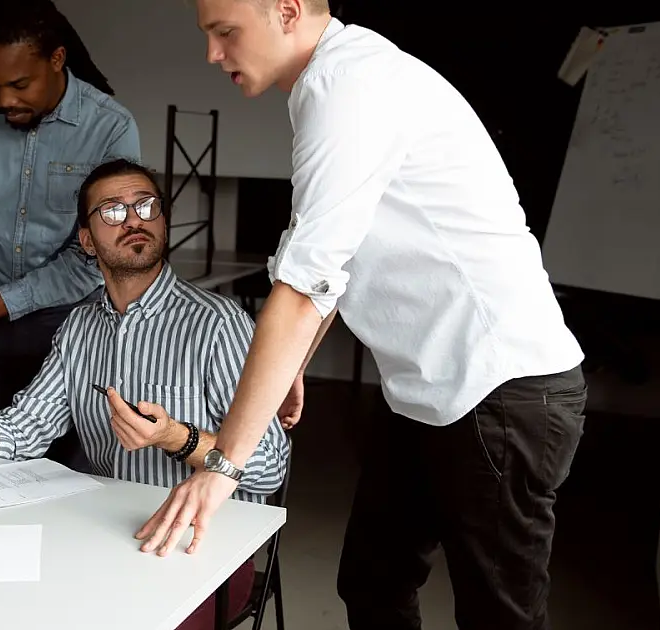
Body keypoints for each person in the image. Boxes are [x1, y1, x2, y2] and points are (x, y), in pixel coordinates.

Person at [137, 2, 589, 629]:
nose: (213, 54)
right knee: (373, 581)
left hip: (499, 389)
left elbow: (302, 289)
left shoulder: (347, 86)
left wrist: (221, 466)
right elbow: (330, 257)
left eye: (225, 32)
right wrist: (295, 362)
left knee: (498, 618)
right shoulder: (333, 82)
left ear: (287, 11)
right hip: (429, 390)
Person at [0, 159, 290, 630]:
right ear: (87, 240)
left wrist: (175, 438)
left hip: (199, 552)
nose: (134, 219)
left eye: (146, 206)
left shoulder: (218, 323)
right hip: (104, 535)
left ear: (163, 220)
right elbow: (17, 434)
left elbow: (270, 466)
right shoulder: (79, 328)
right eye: (112, 211)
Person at [0, 0, 141, 469]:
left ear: (57, 59)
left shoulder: (110, 127)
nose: (2, 100)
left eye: (19, 85)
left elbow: (96, 254)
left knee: (68, 477)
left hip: (73, 329)